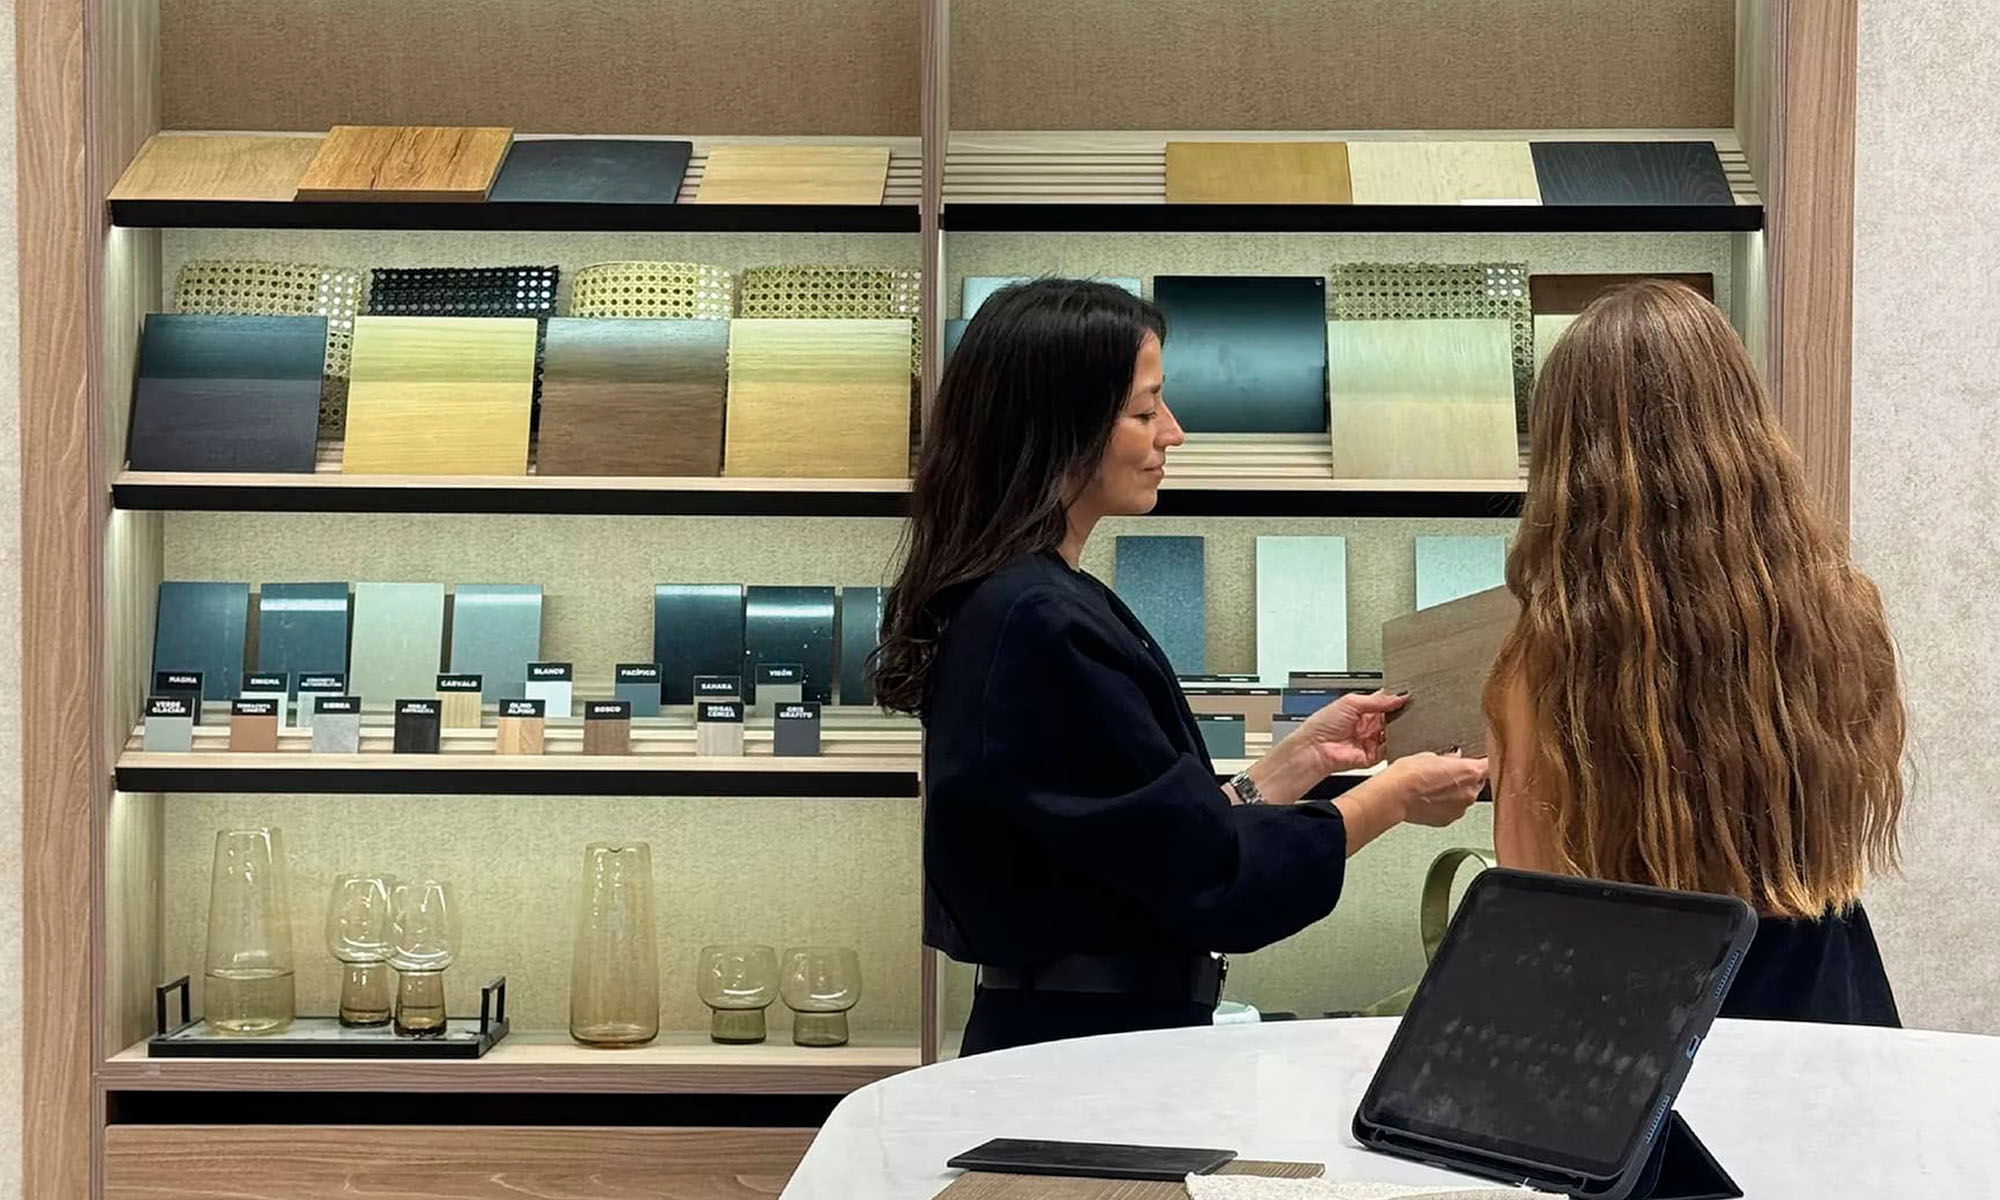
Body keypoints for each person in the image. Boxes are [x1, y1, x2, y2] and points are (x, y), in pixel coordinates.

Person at [872, 278, 1487, 1055]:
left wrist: (1301, 760)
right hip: (1083, 1056)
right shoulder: (1038, 621)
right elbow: (1214, 882)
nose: (1174, 432)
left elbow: (1154, 841)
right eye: (1144, 411)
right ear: (1062, 427)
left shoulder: (1039, 600)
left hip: (1075, 1042)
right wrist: (1392, 797)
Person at [1484, 280, 1905, 1026]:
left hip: (1625, 1018)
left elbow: (1532, 887)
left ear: (1566, 457)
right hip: (1819, 994)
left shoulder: (1549, 660)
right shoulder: (1839, 618)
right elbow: (1835, 839)